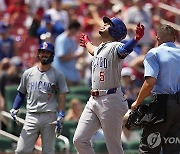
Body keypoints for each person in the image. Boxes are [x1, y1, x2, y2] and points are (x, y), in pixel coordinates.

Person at [73, 16, 144, 154]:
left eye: (108, 24)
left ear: (115, 31)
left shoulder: (115, 46)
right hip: (94, 100)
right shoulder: (101, 48)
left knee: (114, 147)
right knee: (79, 140)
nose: (104, 25)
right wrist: (87, 42)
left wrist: (135, 39)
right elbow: (93, 50)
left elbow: (124, 49)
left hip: (110, 100)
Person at [10, 41, 69, 154]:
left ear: (52, 55)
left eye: (47, 52)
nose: (44, 54)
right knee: (21, 150)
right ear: (38, 54)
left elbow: (62, 97)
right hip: (31, 115)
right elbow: (21, 93)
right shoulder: (28, 73)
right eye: (42, 52)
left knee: (48, 151)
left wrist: (61, 115)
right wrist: (14, 107)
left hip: (49, 116)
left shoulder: (58, 75)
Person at [131, 25, 180, 153]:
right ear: (174, 38)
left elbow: (150, 82)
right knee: (173, 149)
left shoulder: (154, 52)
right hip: (178, 107)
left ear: (157, 37)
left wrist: (138, 101)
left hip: (162, 106)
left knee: (149, 148)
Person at [52, 20, 85, 86]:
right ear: (73, 29)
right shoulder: (62, 39)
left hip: (71, 73)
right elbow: (62, 57)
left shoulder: (72, 39)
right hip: (62, 74)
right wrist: (77, 54)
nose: (78, 33)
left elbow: (76, 53)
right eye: (77, 30)